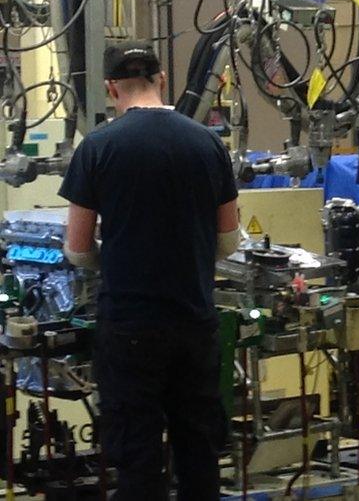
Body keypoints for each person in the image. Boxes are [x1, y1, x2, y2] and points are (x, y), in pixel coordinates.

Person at [59, 41, 240, 500]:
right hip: (193, 324)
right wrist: (187, 259)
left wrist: (121, 262)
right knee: (199, 457)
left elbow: (78, 250)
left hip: (130, 327)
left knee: (137, 461)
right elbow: (229, 240)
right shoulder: (207, 143)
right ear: (163, 81)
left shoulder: (97, 147)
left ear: (110, 88)